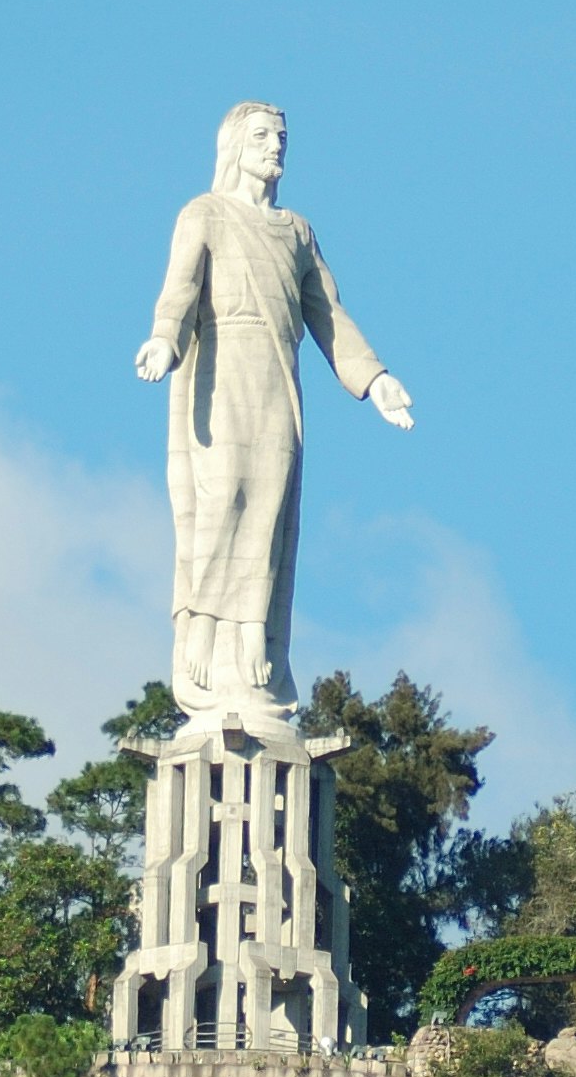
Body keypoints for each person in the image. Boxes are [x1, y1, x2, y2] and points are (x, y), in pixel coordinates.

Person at [135, 101, 413, 711]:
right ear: (235, 145)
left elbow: (328, 315)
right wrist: (163, 337)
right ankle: (203, 631)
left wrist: (375, 379)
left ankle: (252, 637)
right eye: (262, 136)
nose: (276, 146)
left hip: (276, 379)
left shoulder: (296, 231)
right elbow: (180, 288)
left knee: (269, 508)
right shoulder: (204, 213)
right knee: (221, 497)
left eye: (282, 136)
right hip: (220, 366)